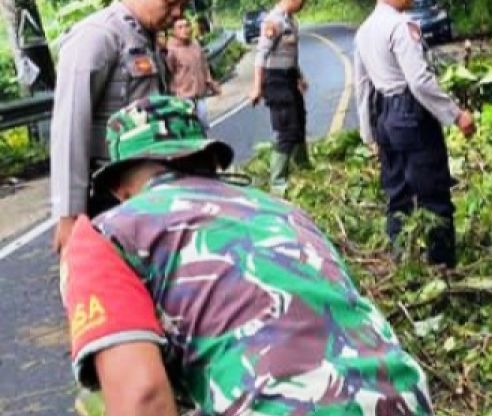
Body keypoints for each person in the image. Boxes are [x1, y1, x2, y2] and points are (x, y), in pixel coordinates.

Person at [59, 96, 433, 415]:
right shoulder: (282, 210)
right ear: (207, 161)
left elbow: (142, 399)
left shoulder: (104, 233)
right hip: (403, 398)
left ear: (120, 189)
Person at [49, 0, 199, 253]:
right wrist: (69, 215)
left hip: (148, 189)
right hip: (111, 193)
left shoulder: (146, 38)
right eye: (169, 2)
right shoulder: (98, 37)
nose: (176, 15)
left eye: (182, 7)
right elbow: (69, 130)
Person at [353, 0, 475, 268]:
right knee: (433, 191)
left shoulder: (364, 31)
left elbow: (362, 86)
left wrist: (369, 134)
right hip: (410, 113)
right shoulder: (400, 27)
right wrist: (456, 115)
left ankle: (401, 262)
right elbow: (419, 82)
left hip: (385, 116)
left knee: (397, 195)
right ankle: (442, 265)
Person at [248, 0, 309, 194]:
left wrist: (299, 76)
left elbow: (289, 55)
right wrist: (257, 87)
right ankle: (278, 183)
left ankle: (303, 166)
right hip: (275, 82)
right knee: (287, 129)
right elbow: (260, 56)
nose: (305, 3)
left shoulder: (291, 21)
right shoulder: (273, 22)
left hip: (290, 78)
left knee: (300, 121)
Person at [165, 16, 221, 124]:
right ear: (174, 31)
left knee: (203, 126)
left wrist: (212, 84)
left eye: (186, 26)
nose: (184, 30)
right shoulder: (171, 50)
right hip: (183, 99)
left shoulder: (195, 45)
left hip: (199, 96)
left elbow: (204, 66)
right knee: (191, 129)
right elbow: (167, 74)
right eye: (180, 27)